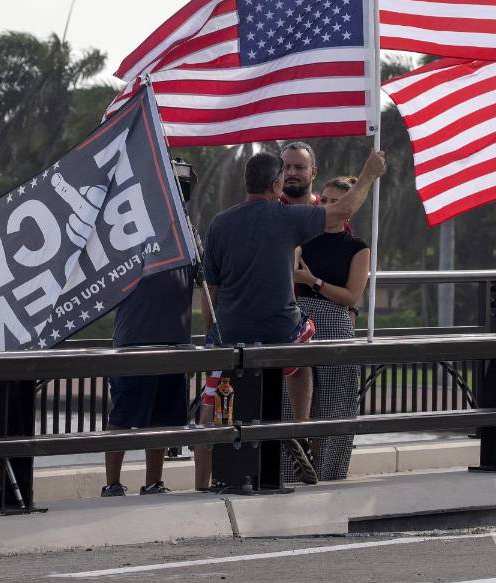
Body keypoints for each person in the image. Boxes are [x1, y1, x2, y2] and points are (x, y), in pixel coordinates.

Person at [194, 149, 385, 488]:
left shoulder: (220, 223)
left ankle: (202, 484)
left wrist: (212, 333)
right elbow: (343, 210)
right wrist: (369, 172)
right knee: (302, 348)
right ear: (276, 183)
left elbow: (211, 289)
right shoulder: (287, 217)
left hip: (231, 332)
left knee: (211, 411)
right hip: (279, 328)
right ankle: (298, 426)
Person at [284, 176, 370, 482]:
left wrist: (314, 282)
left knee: (335, 404)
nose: (328, 206)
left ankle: (328, 472)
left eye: (336, 201)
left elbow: (351, 296)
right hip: (299, 321)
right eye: (325, 200)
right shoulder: (302, 238)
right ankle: (293, 470)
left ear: (349, 208)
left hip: (335, 322)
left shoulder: (357, 248)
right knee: (292, 402)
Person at [101, 265, 196, 497]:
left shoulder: (188, 237)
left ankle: (154, 482)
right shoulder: (134, 233)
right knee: (122, 417)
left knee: (162, 420)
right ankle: (112, 483)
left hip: (175, 342)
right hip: (135, 340)